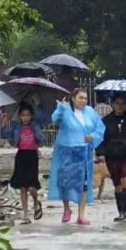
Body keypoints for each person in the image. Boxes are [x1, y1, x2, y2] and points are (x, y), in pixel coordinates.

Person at [49, 88, 105, 226]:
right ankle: (67, 209)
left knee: (84, 184)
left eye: (85, 98)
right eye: (80, 98)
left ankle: (81, 215)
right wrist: (61, 108)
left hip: (84, 153)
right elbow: (55, 119)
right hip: (67, 152)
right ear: (73, 98)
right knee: (65, 182)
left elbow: (100, 128)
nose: (83, 101)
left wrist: (93, 136)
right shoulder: (65, 110)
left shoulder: (91, 112)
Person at [96, 94, 126, 221]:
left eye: (123, 103)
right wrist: (100, 153)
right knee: (117, 183)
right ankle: (121, 212)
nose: (120, 106)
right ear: (112, 104)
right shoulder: (106, 121)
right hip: (112, 155)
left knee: (125, 177)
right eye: (117, 103)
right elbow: (100, 138)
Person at [5, 104, 45, 225]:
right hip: (21, 156)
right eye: (23, 115)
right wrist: (6, 123)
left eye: (28, 115)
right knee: (23, 187)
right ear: (19, 116)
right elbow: (9, 138)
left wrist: (35, 131)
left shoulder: (35, 125)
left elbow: (42, 139)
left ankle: (37, 202)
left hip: (32, 157)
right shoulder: (17, 127)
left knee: (32, 187)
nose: (25, 118)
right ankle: (26, 215)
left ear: (31, 116)